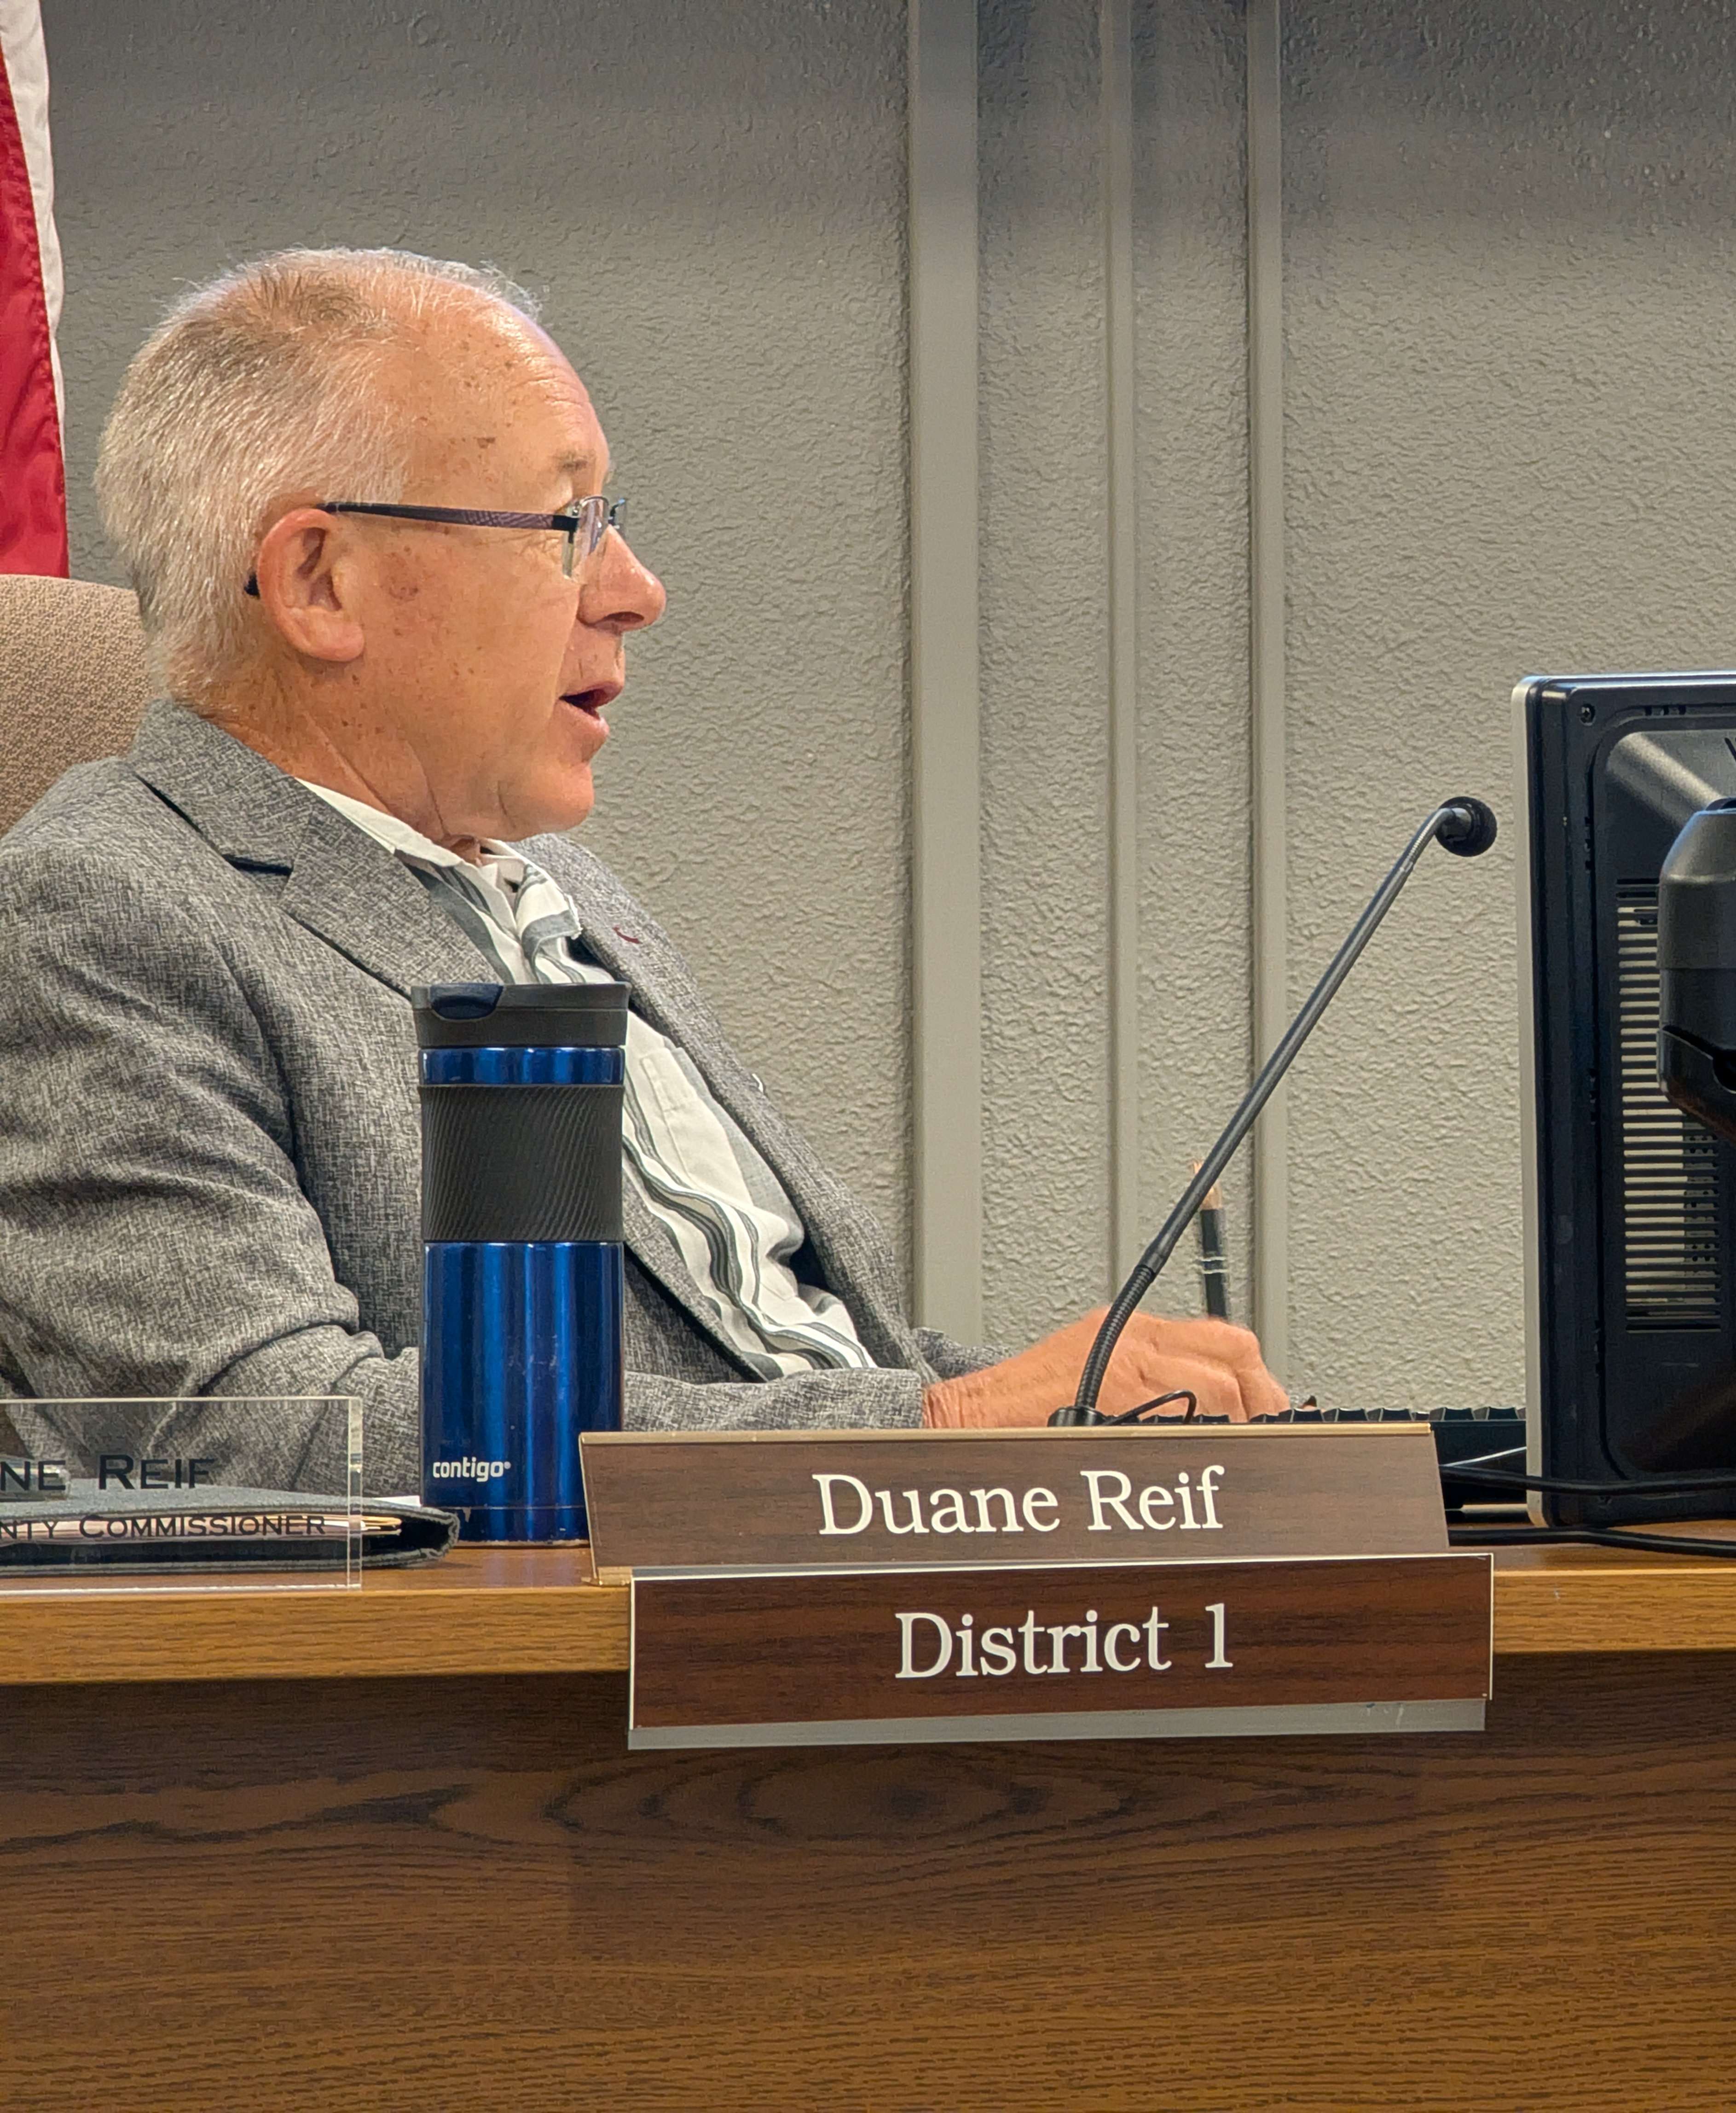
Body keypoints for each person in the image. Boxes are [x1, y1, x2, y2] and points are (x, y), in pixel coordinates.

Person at [0, 249, 1283, 1493]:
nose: (636, 589)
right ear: (321, 581)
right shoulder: (97, 919)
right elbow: (261, 1435)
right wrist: (942, 1422)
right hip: (550, 1677)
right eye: (569, 525)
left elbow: (791, 1354)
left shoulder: (567, 891)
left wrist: (1086, 1412)